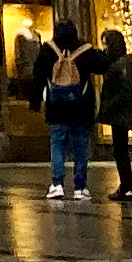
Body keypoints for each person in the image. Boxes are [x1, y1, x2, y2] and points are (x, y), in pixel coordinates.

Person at [38, 19, 97, 203]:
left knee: (57, 146)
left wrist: (36, 100)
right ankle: (80, 187)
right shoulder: (86, 50)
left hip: (57, 108)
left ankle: (57, 185)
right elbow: (102, 66)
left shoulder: (48, 50)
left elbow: (37, 74)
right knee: (81, 148)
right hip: (81, 107)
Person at [95, 29, 132, 200]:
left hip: (120, 114)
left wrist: (109, 108)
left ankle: (126, 185)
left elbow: (124, 91)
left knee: (120, 151)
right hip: (120, 113)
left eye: (106, 44)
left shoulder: (121, 64)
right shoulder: (120, 62)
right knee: (120, 150)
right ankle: (126, 185)